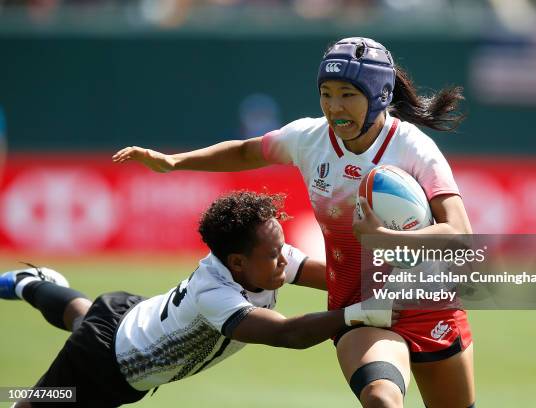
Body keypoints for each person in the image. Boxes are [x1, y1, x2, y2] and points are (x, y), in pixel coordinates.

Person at [113, 37, 475, 408]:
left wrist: (381, 238)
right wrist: (175, 162)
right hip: (359, 306)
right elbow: (246, 150)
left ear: (380, 94)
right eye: (327, 93)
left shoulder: (413, 149)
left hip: (429, 302)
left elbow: (460, 234)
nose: (334, 107)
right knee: (381, 399)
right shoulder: (309, 138)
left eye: (347, 94)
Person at [0, 191, 395, 407]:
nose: (285, 257)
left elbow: (338, 277)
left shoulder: (266, 258)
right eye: (275, 253)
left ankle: (33, 283)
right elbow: (289, 334)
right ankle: (32, 285)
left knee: (85, 316)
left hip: (133, 316)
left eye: (283, 246)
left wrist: (402, 276)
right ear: (237, 263)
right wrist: (359, 314)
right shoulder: (215, 294)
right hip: (108, 364)